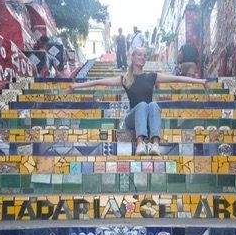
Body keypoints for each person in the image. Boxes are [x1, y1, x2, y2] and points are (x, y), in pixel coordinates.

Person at [66, 47, 209, 156]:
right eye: (139, 54)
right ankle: (140, 143)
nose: (142, 57)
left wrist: (200, 81)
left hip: (148, 118)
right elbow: (99, 82)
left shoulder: (152, 76)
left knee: (152, 104)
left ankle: (155, 145)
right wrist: (77, 85)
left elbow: (177, 79)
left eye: (144, 55)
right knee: (142, 105)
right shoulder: (126, 79)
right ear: (132, 57)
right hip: (132, 119)